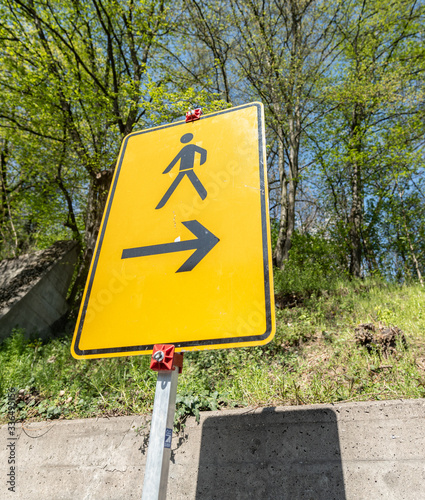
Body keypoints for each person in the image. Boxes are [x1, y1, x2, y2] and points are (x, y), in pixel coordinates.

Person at [156, 133, 208, 209]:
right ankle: (162, 203)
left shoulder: (191, 146)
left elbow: (203, 151)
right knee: (175, 185)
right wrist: (167, 169)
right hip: (182, 170)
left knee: (190, 183)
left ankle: (205, 197)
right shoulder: (185, 148)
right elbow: (175, 159)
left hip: (189, 169)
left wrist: (202, 162)